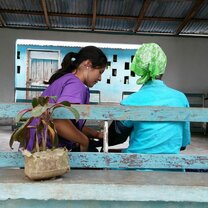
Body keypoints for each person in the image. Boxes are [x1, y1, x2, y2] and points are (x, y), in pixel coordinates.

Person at [108, 43, 191, 154]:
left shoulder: (132, 101)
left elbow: (114, 138)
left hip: (136, 167)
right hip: (172, 167)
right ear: (162, 68)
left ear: (138, 67)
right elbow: (183, 145)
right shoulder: (181, 99)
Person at [27, 46, 107, 152]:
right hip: (44, 154)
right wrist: (84, 141)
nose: (100, 78)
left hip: (33, 149)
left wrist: (95, 134)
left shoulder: (66, 79)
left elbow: (70, 123)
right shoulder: (75, 85)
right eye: (100, 72)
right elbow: (59, 121)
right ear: (87, 64)